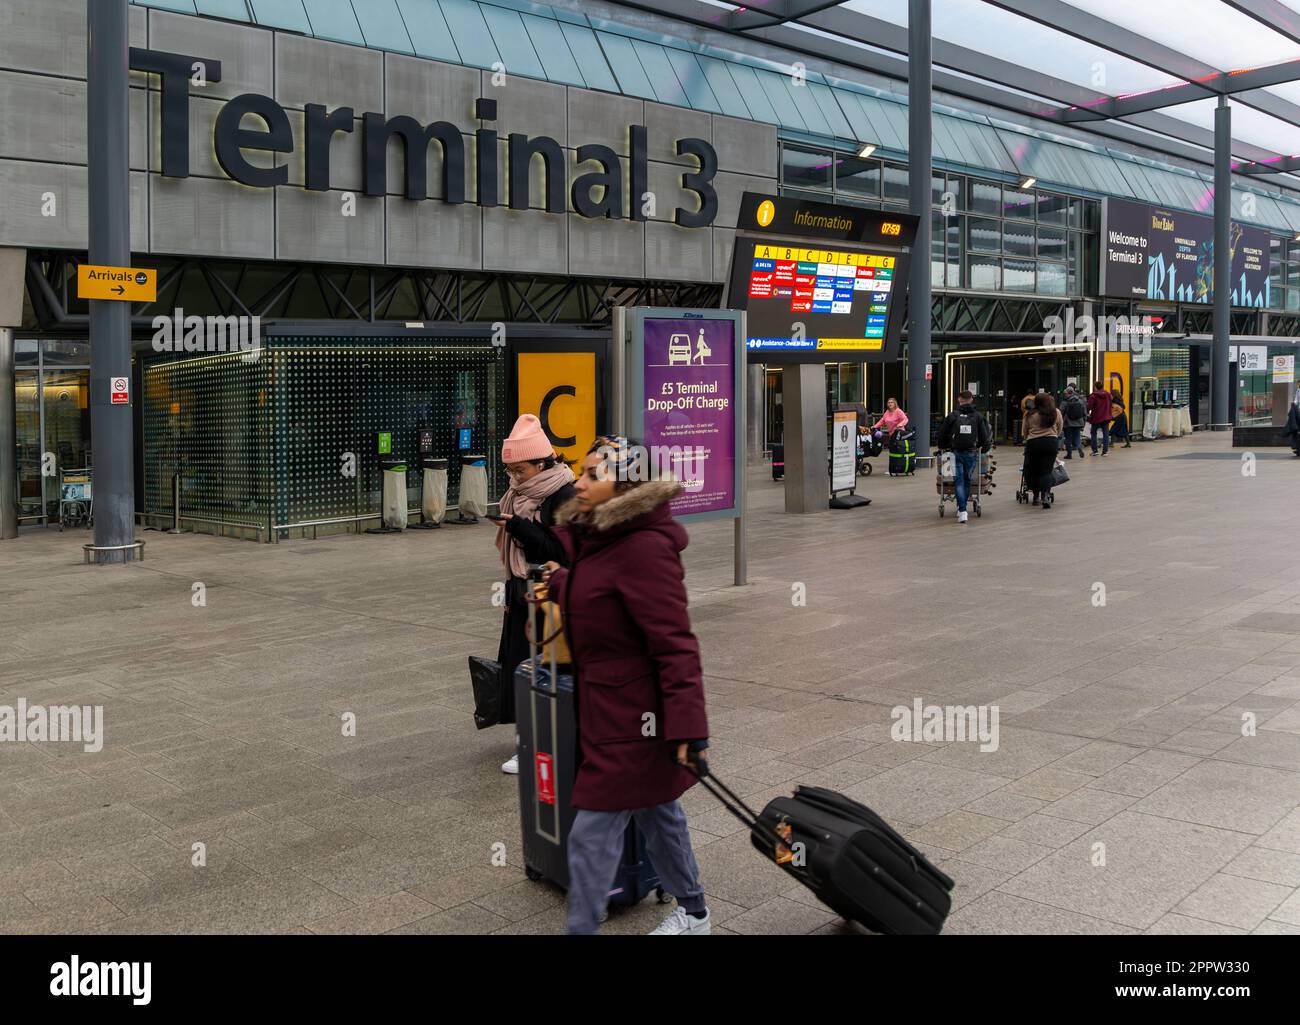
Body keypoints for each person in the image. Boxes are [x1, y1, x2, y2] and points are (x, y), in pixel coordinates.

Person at [543, 437, 711, 936]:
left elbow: (675, 644)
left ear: (627, 483)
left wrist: (687, 730)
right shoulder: (605, 535)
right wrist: (557, 584)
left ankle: (581, 929)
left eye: (594, 474)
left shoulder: (643, 548)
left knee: (591, 833)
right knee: (659, 813)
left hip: (636, 717)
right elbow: (601, 591)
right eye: (583, 471)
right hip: (611, 707)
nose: (580, 481)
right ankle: (696, 911)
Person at [491, 414, 576, 775]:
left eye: (520, 470)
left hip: (549, 597)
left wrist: (521, 528)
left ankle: (538, 744)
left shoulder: (562, 494)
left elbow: (563, 553)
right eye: (510, 470)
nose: (514, 478)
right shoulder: (518, 493)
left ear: (542, 462)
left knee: (544, 670)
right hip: (520, 592)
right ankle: (526, 739)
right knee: (518, 666)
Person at [937, 389, 992, 524]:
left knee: (959, 480)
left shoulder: (953, 416)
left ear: (959, 400)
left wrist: (943, 446)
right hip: (971, 452)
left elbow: (942, 434)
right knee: (967, 480)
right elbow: (984, 437)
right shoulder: (978, 416)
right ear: (971, 399)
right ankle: (963, 508)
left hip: (955, 451)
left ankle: (962, 511)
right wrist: (981, 447)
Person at [1022, 392, 1062, 510]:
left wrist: (1027, 438)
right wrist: (1054, 436)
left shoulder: (1029, 414)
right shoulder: (1056, 412)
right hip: (1051, 443)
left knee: (1034, 470)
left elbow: (1025, 431)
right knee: (1047, 470)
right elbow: (1060, 428)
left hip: (1033, 443)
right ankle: (1045, 495)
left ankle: (1035, 497)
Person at [1087, 380, 1113, 456]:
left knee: (1093, 433)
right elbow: (1111, 403)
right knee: (1106, 434)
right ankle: (1105, 451)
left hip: (1096, 417)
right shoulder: (1108, 394)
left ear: (1095, 387)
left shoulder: (1093, 396)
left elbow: (1089, 406)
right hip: (1106, 417)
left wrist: (1087, 412)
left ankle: (1095, 451)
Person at [1060, 385, 1087, 460]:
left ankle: (1069, 454)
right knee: (1077, 437)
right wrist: (1084, 421)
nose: (1065, 395)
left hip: (1068, 423)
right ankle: (1079, 447)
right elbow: (1084, 412)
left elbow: (1061, 413)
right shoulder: (1080, 401)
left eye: (1065, 394)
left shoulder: (1065, 402)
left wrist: (1061, 423)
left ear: (1069, 393)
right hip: (1079, 422)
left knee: (1068, 438)